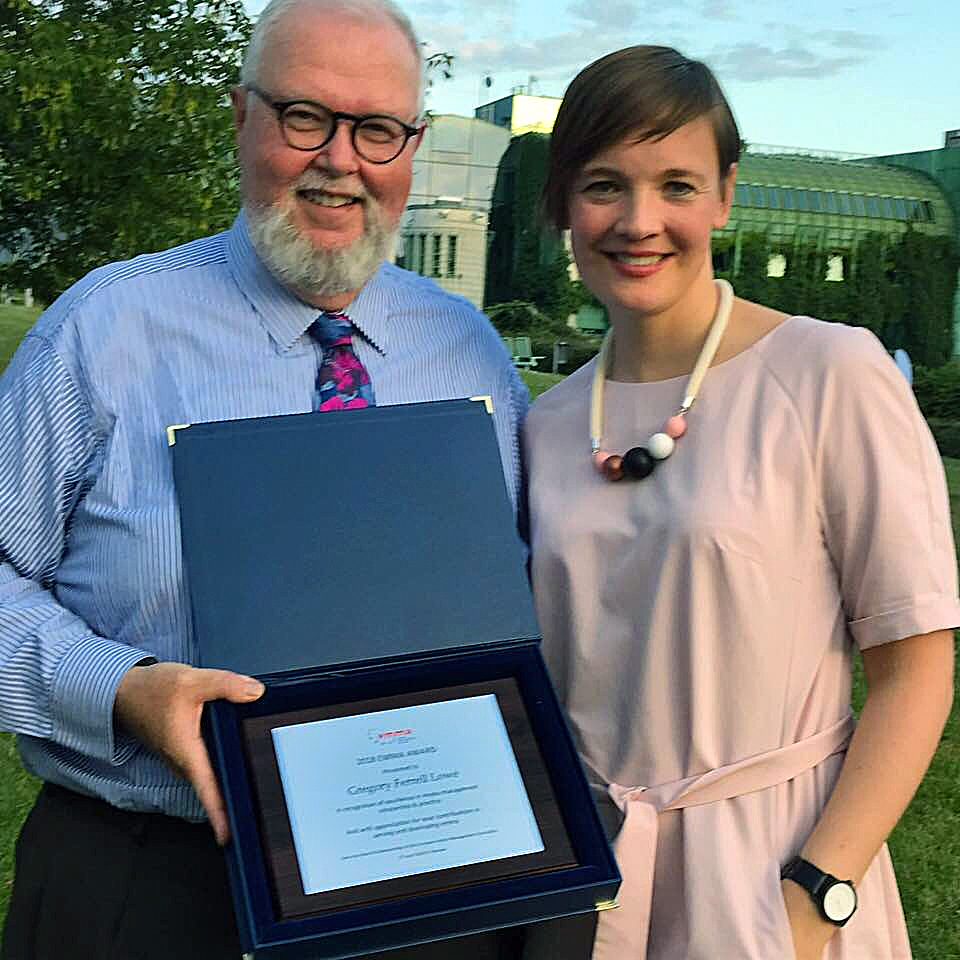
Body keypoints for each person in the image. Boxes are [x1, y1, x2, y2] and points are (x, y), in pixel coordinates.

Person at [0, 1, 526, 957]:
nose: (341, 160)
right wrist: (122, 688)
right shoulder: (105, 331)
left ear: (409, 146)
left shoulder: (470, 356)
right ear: (241, 116)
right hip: (151, 877)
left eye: (377, 130)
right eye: (304, 118)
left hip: (419, 862)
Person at [522, 46, 957, 960]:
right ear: (564, 202)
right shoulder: (549, 423)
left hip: (769, 878)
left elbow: (916, 670)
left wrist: (815, 896)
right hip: (588, 880)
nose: (640, 222)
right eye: (606, 185)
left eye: (676, 185)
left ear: (724, 195)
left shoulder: (829, 372)